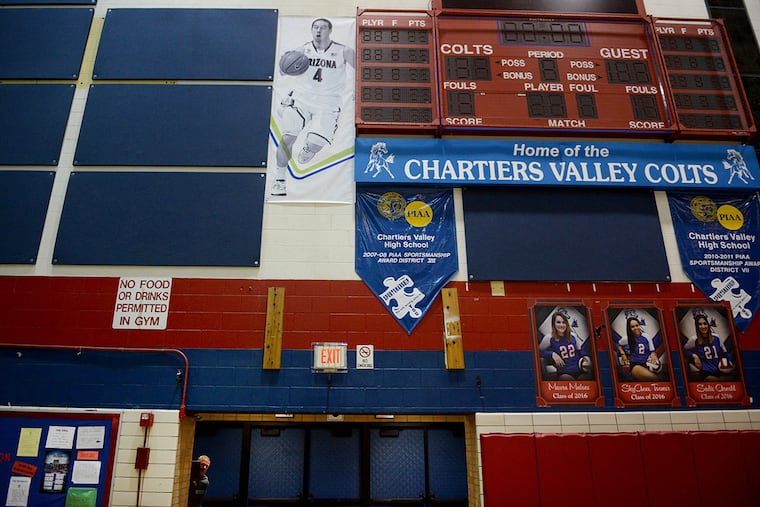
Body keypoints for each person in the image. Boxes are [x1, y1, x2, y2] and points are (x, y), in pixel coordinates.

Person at [271, 17, 355, 196]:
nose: (318, 31)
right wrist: (285, 64)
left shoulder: (344, 51)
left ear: (330, 31)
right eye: (315, 27)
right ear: (311, 30)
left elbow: (363, 70)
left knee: (316, 144)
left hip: (327, 105)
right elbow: (282, 71)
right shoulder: (302, 50)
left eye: (323, 28)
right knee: (287, 138)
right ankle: (279, 180)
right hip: (301, 101)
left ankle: (310, 146)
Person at [539, 311, 592, 380]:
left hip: (579, 369)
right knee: (570, 381)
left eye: (564, 322)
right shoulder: (549, 338)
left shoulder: (573, 335)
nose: (561, 325)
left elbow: (579, 351)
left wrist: (586, 356)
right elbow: (537, 352)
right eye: (558, 322)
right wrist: (552, 354)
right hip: (564, 372)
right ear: (553, 324)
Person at [685, 313, 734, 381]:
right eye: (700, 324)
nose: (703, 326)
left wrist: (730, 362)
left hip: (720, 371)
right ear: (697, 326)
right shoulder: (694, 339)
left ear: (708, 324)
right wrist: (694, 355)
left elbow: (725, 352)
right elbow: (683, 350)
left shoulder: (716, 337)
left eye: (705, 323)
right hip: (706, 373)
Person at [617, 317, 661, 381]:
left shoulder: (646, 336)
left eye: (637, 325)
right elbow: (618, 344)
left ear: (639, 325)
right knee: (656, 379)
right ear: (629, 328)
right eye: (632, 327)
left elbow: (652, 350)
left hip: (647, 364)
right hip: (636, 366)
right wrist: (622, 353)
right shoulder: (627, 338)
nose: (635, 328)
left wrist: (653, 355)